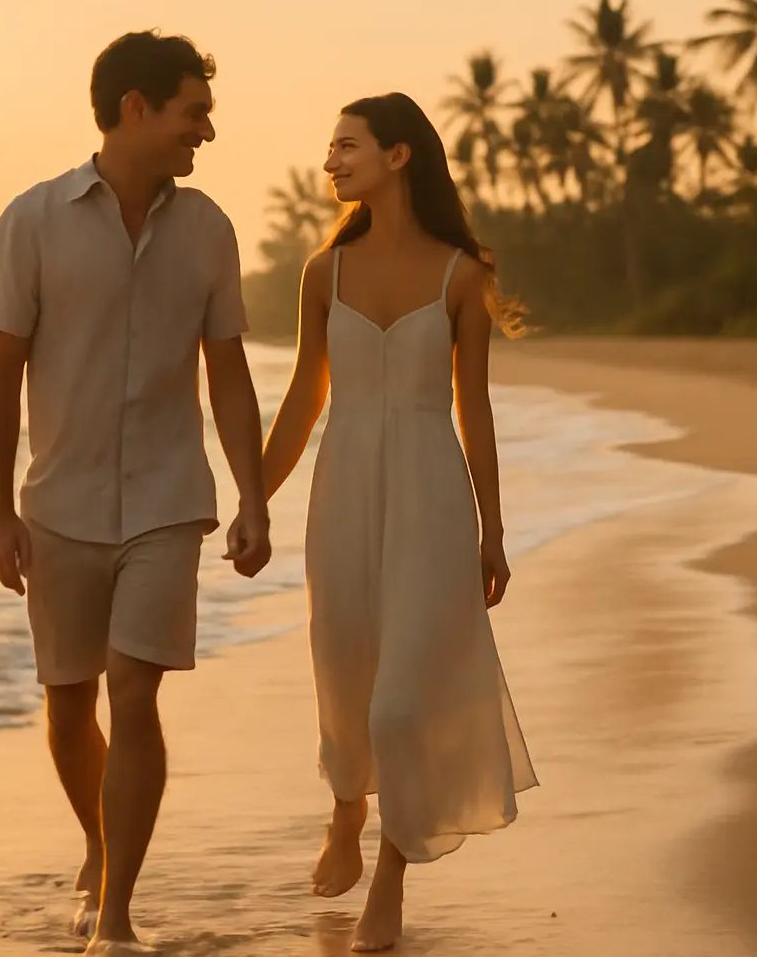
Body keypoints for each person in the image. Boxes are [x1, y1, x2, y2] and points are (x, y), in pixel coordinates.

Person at [0, 30, 270, 956]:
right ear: (135, 108)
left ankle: (117, 915)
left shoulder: (210, 229)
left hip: (168, 502)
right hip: (57, 505)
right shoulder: (31, 221)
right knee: (70, 706)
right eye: (194, 111)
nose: (207, 132)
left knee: (135, 693)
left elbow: (228, 375)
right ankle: (100, 847)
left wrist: (253, 497)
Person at [251, 92, 539, 952]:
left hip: (429, 496)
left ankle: (390, 870)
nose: (331, 161)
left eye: (347, 146)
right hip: (342, 491)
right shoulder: (322, 273)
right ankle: (346, 808)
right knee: (342, 667)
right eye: (330, 148)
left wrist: (493, 530)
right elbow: (306, 397)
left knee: (403, 697)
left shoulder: (461, 276)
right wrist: (252, 499)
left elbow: (473, 411)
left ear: (400, 155)